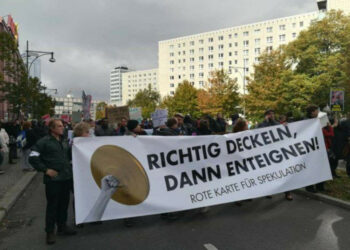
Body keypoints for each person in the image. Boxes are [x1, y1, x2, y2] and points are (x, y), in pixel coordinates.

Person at [29, 119, 76, 245]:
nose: (63, 128)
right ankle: (50, 232)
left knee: (64, 204)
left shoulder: (64, 141)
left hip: (66, 178)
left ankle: (62, 226)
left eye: (63, 126)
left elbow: (70, 155)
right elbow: (32, 157)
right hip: (53, 180)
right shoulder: (43, 142)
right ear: (52, 128)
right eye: (60, 126)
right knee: (52, 206)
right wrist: (45, 170)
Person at [304, 105, 326, 193]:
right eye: (317, 111)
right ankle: (309, 187)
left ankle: (320, 186)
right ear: (312, 112)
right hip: (310, 148)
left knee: (321, 167)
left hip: (319, 147)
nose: (318, 112)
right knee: (311, 168)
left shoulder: (319, 119)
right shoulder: (306, 121)